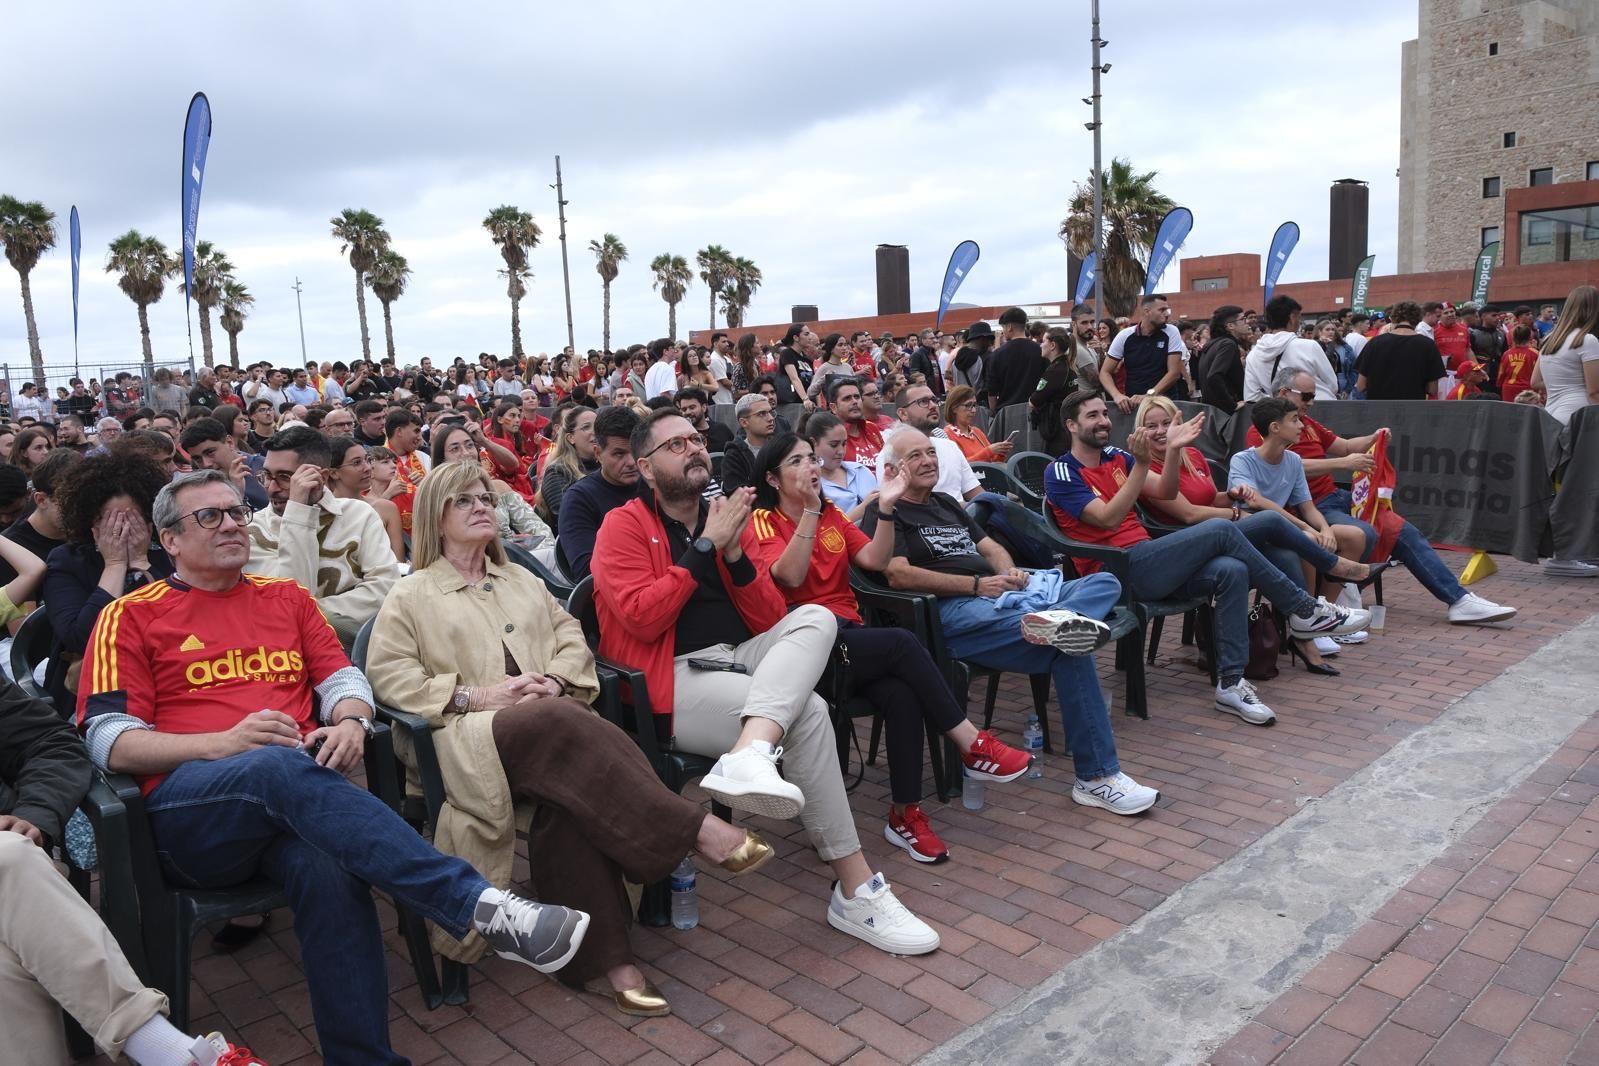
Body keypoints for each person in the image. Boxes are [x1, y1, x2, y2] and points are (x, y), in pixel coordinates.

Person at [77, 469, 594, 1063]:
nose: (231, 525)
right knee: (272, 764)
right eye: (209, 517)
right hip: (194, 816)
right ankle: (474, 903)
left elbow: (344, 679)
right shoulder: (131, 615)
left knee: (330, 868)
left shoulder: (286, 598)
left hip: (297, 807)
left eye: (237, 512)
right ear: (169, 539)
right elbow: (109, 740)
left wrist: (350, 721)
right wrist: (223, 743)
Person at [366, 461, 767, 1018]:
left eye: (486, 497)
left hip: (553, 740)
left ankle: (606, 964)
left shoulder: (521, 579)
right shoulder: (411, 594)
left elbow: (572, 641)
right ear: (436, 517)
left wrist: (554, 681)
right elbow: (389, 678)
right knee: (558, 722)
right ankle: (694, 829)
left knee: (568, 799)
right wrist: (481, 696)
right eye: (465, 501)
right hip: (464, 738)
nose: (482, 506)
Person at [590, 408, 940, 955]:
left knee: (816, 617)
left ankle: (751, 750)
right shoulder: (623, 525)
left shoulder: (729, 518)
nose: (694, 448)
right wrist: (704, 548)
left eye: (696, 439)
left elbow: (770, 614)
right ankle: (856, 888)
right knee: (810, 713)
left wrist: (733, 555)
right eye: (676, 445)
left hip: (742, 658)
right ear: (647, 467)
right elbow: (641, 618)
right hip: (673, 676)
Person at [748, 434, 1029, 863]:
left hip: (848, 639)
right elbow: (790, 576)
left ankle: (905, 814)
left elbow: (875, 561)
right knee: (900, 642)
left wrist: (886, 508)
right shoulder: (764, 521)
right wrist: (809, 512)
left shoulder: (832, 514)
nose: (811, 468)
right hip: (801, 649)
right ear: (773, 479)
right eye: (797, 462)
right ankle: (972, 743)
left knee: (902, 694)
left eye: (811, 459)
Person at [867, 423, 1167, 809]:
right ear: (892, 470)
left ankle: (1057, 620)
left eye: (930, 452)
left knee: (1105, 582)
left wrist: (1008, 572)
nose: (928, 460)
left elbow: (990, 547)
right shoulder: (886, 511)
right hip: (952, 611)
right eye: (915, 456)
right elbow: (898, 575)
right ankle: (1097, 777)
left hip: (1004, 598)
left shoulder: (944, 503)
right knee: (1071, 648)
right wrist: (977, 586)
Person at [1046, 392, 1373, 725]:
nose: (1103, 421)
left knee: (1232, 569)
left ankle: (1231, 683)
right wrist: (1143, 465)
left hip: (1150, 561)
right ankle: (1305, 608)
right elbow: (1108, 519)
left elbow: (1166, 492)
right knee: (1223, 528)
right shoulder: (1060, 472)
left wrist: (1174, 449)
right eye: (1092, 416)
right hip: (1115, 572)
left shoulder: (1117, 456)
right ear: (1071, 425)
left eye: (1104, 413)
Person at [1, 681, 266, 1066]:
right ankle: (168, 1052)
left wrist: (34, 814)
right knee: (8, 856)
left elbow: (49, 742)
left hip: (16, 887)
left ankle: (169, 1054)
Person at [1260, 369, 1518, 622]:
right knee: (1366, 532)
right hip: (1311, 506)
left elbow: (1344, 446)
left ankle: (1458, 599)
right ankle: (1340, 599)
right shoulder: (1267, 429)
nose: (1311, 403)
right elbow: (1283, 465)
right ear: (1283, 393)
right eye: (1306, 396)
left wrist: (1375, 437)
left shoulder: (1305, 424)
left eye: (1313, 396)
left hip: (1331, 499)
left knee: (1401, 529)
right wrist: (1343, 463)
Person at [245, 427, 400, 646]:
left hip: (353, 646)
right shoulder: (252, 529)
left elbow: (386, 587)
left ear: (322, 477)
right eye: (267, 475)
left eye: (285, 478)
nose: (271, 488)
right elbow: (289, 598)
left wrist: (311, 613)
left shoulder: (358, 514)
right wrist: (298, 512)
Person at [557, 405, 641, 580]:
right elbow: (586, 574)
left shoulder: (657, 484)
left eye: (635, 451)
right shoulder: (578, 500)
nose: (631, 462)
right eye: (619, 454)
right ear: (598, 453)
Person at [430, 424, 549, 544]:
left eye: (469, 445)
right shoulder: (435, 496)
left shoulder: (498, 487)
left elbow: (540, 531)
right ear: (442, 458)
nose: (466, 453)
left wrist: (483, 440)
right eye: (455, 449)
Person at [881, 384, 982, 502]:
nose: (933, 406)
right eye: (923, 402)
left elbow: (976, 493)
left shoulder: (949, 446)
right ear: (903, 413)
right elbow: (896, 504)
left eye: (934, 400)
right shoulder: (890, 455)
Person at [323, 437, 407, 563]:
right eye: (357, 463)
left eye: (367, 460)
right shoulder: (321, 511)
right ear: (334, 473)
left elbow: (398, 563)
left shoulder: (386, 508)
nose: (367, 467)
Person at [1100, 295, 1187, 412]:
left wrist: (1149, 395)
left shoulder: (1171, 331)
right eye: (1162, 310)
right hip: (1133, 406)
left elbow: (1174, 373)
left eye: (1167, 310)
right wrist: (1117, 395)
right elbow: (1105, 372)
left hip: (1165, 403)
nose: (1167, 314)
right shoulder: (1125, 336)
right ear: (1147, 312)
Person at [1245, 295, 1339, 401]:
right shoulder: (1309, 346)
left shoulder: (1253, 355)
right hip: (1320, 406)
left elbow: (1251, 397)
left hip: (1281, 409)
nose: (1300, 321)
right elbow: (1333, 385)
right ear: (1292, 318)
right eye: (1299, 317)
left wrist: (1281, 400)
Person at [1531, 284, 1599, 426]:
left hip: (1551, 415)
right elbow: (1594, 392)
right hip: (1579, 416)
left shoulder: (1550, 340)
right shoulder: (1587, 340)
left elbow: (1535, 382)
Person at [1354, 300, 1448, 400]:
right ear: (1418, 319)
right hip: (1413, 405)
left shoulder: (1375, 343)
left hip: (1379, 406)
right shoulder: (1428, 345)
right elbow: (1432, 389)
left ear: (1393, 318)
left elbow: (1361, 386)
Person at [180, 417, 271, 511]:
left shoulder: (264, 467)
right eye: (197, 459)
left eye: (210, 452)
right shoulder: (201, 488)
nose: (206, 464)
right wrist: (237, 493)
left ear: (229, 443)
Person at [804, 411, 879, 522]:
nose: (841, 451)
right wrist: (864, 508)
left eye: (844, 444)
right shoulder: (811, 486)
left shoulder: (861, 470)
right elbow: (826, 529)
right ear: (813, 443)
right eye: (834, 445)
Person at [533, 405, 598, 526]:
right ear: (570, 437)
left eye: (598, 426)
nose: (594, 431)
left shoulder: (609, 466)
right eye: (586, 427)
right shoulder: (557, 472)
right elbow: (570, 520)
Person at [986, 306, 1046, 413]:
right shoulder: (1041, 351)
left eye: (1003, 327)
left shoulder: (997, 355)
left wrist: (995, 413)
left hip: (1007, 413)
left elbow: (992, 393)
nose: (1003, 331)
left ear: (1009, 327)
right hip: (1036, 411)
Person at [719, 392, 775, 494]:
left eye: (770, 412)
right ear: (744, 422)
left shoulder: (781, 448)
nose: (771, 418)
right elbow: (739, 495)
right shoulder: (734, 456)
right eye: (762, 414)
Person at [1194, 305, 1248, 410]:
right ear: (1230, 326)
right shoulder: (1227, 344)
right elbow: (1214, 376)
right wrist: (1232, 405)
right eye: (1243, 319)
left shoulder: (1214, 344)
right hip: (1224, 413)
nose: (1247, 323)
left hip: (1213, 409)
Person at [941, 385, 1014, 463]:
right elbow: (960, 464)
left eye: (974, 405)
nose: (973, 410)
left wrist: (1001, 452)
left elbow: (992, 461)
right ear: (954, 408)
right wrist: (990, 451)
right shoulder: (947, 435)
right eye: (968, 405)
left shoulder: (976, 432)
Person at [827, 376, 884, 464]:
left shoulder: (872, 428)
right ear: (834, 407)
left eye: (857, 397)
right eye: (847, 398)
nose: (854, 401)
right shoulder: (829, 436)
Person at [674, 387, 733, 452]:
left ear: (704, 407)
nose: (688, 412)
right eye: (684, 409)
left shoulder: (721, 429)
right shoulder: (682, 436)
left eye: (692, 407)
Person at [946, 321, 993, 400]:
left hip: (961, 401)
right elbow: (989, 387)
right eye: (989, 339)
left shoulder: (956, 358)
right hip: (979, 402)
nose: (990, 343)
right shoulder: (985, 358)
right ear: (983, 339)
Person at [777, 324, 819, 409]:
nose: (810, 338)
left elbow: (813, 381)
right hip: (794, 403)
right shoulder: (787, 353)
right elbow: (794, 378)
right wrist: (805, 399)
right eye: (806, 334)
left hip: (810, 402)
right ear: (796, 338)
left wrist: (818, 403)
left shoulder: (807, 358)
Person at [1497, 324, 1541, 401]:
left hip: (1508, 389)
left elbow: (1501, 374)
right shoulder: (1535, 354)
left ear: (1513, 338)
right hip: (1527, 390)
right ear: (1529, 337)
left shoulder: (1506, 354)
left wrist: (1499, 385)